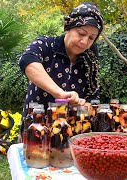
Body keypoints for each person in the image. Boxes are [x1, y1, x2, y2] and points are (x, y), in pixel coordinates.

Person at [19, 2, 104, 131]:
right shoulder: (46, 44)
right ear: (68, 27)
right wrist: (60, 94)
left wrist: (81, 105)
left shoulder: (90, 60)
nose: (85, 41)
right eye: (81, 33)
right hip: (35, 129)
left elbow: (93, 98)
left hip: (69, 134)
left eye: (91, 38)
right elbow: (27, 61)